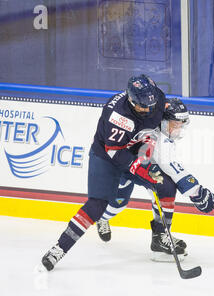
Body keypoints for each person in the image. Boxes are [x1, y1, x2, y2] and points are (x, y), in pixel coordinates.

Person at [41, 74, 168, 271]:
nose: (148, 109)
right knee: (96, 205)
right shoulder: (119, 116)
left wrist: (147, 155)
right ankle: (59, 248)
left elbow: (155, 126)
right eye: (143, 106)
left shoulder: (155, 98)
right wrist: (142, 169)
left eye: (151, 105)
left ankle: (160, 237)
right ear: (131, 99)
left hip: (134, 151)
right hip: (107, 156)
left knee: (133, 197)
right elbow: (115, 153)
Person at [95, 98, 214, 262]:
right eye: (175, 123)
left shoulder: (162, 128)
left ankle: (160, 237)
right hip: (125, 167)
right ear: (165, 121)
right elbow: (168, 164)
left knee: (163, 189)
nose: (178, 128)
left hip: (145, 167)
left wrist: (195, 190)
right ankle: (102, 218)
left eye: (181, 124)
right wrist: (196, 191)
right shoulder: (157, 136)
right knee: (119, 204)